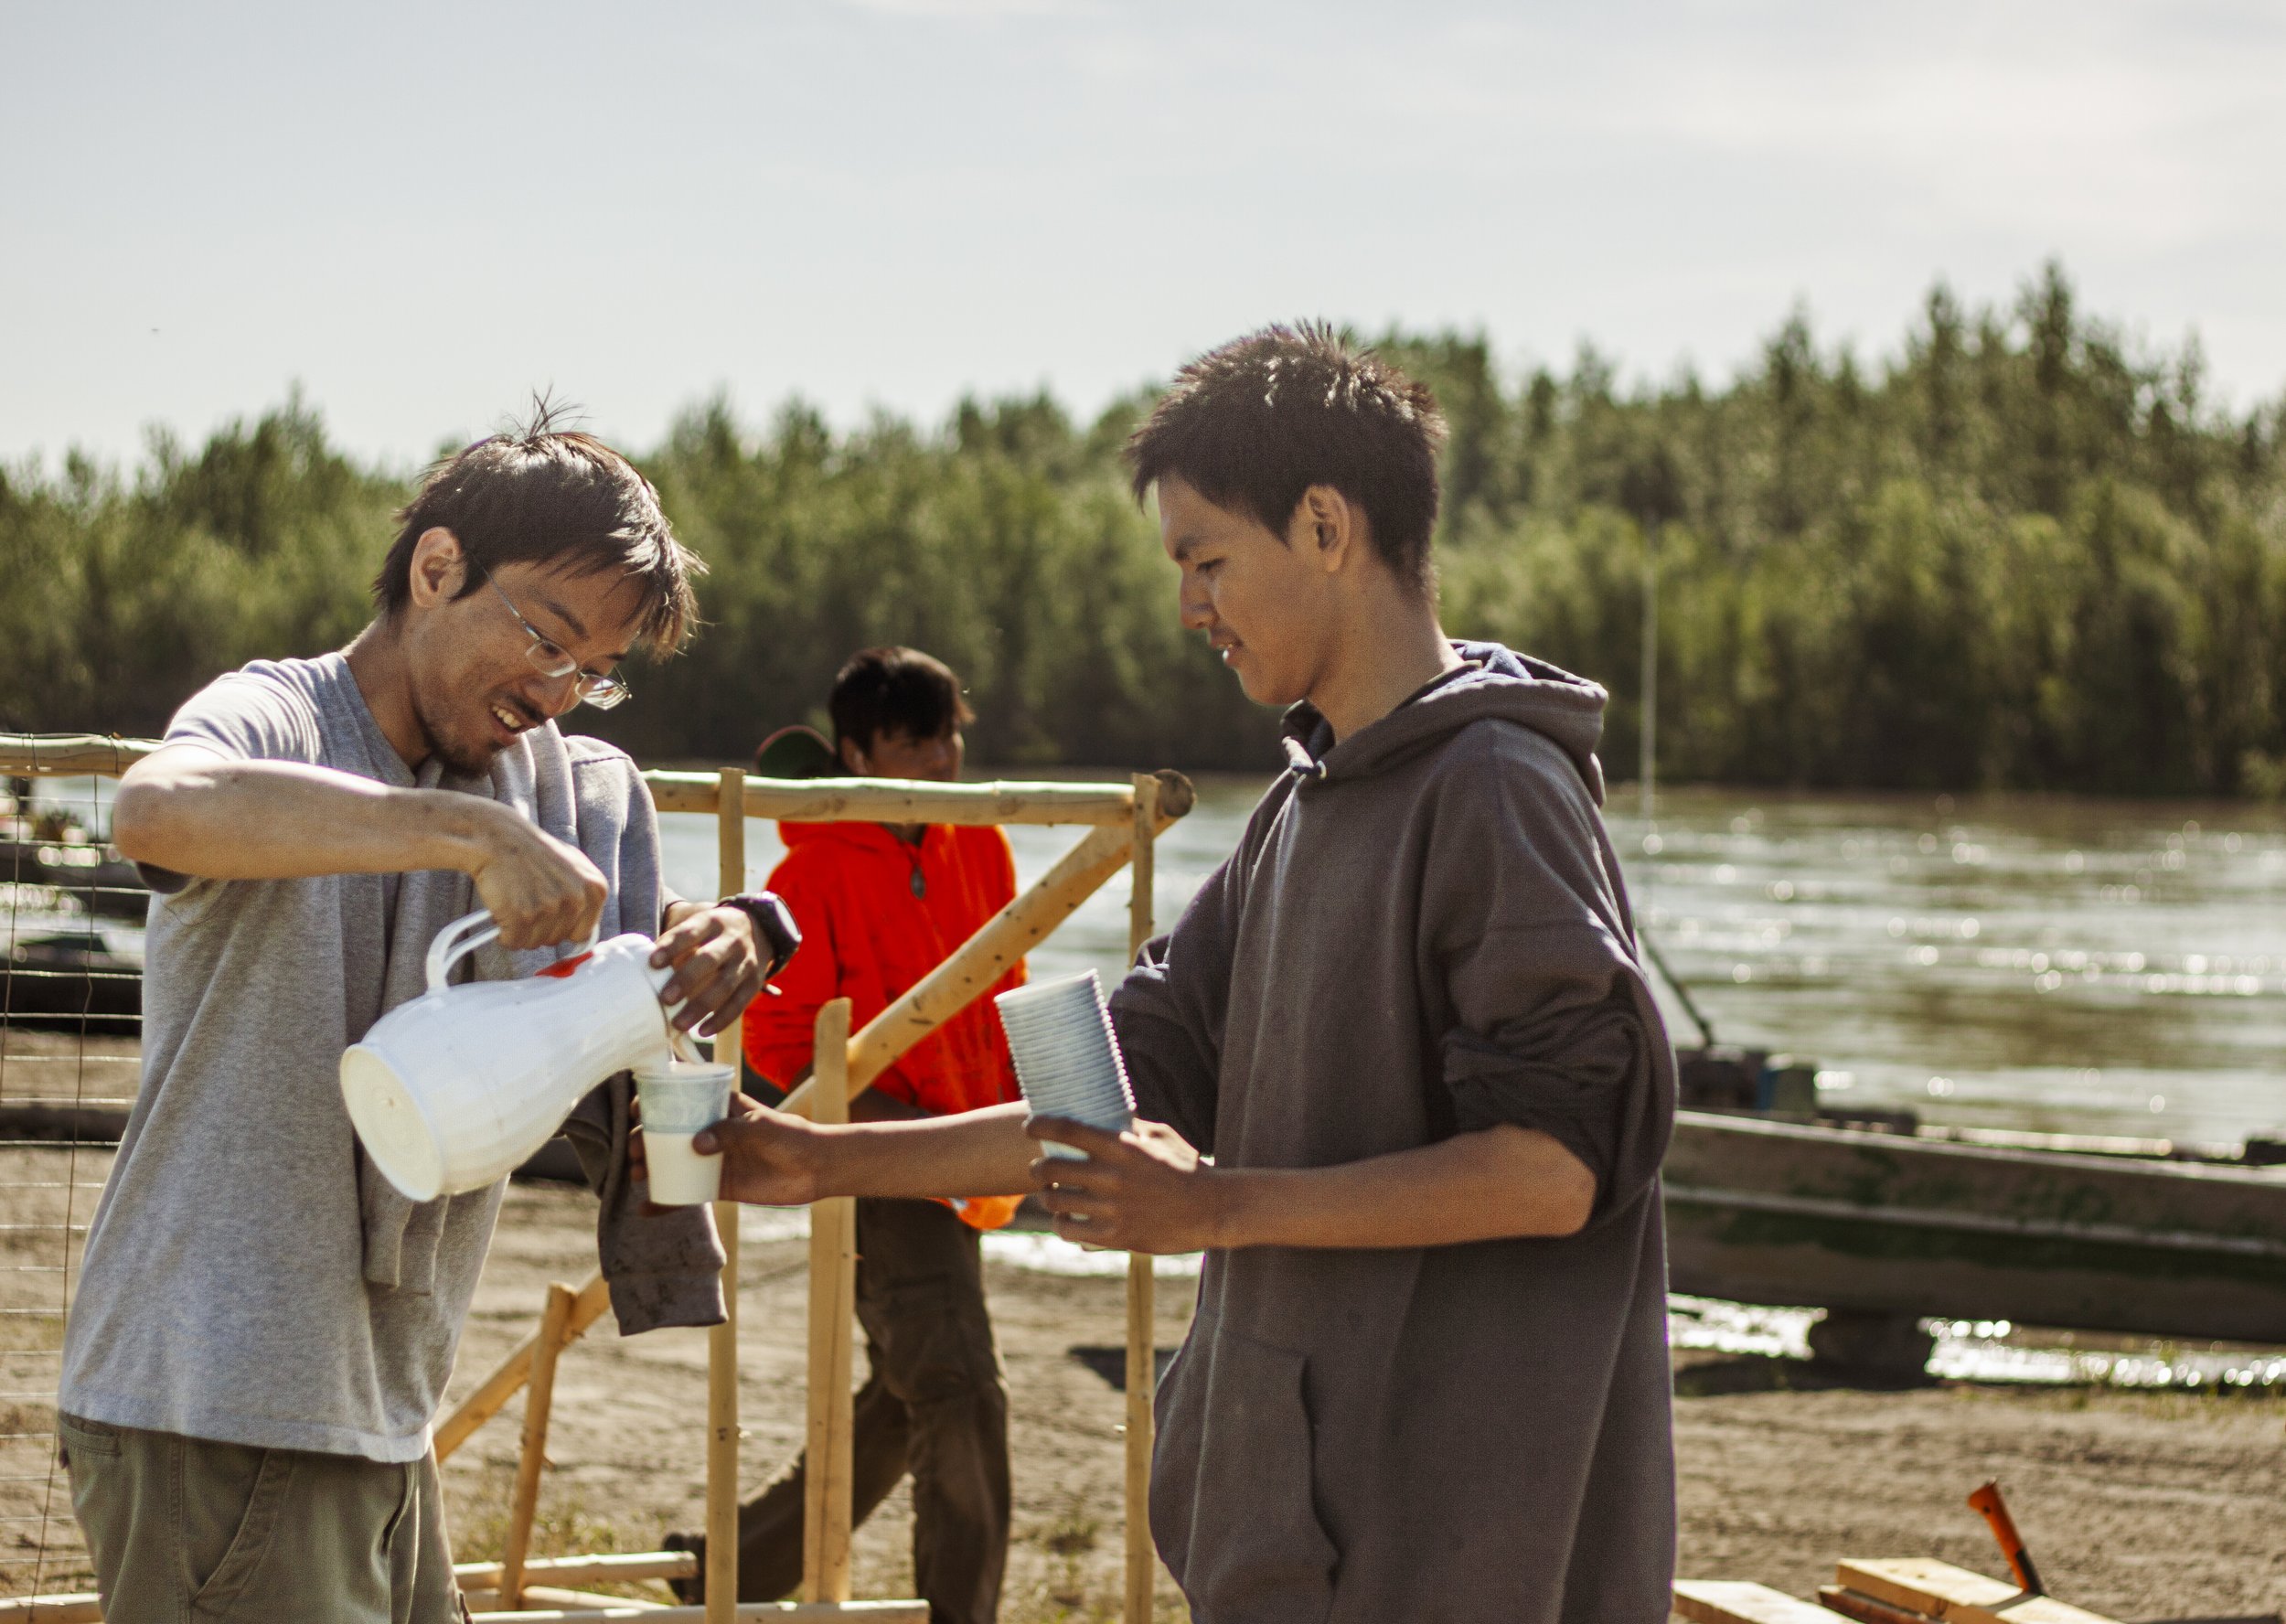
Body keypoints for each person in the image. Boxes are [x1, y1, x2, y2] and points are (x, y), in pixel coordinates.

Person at [687, 326, 1680, 1623]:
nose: (1187, 606)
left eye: (1206, 560)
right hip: (1301, 1531)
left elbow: (1554, 1172)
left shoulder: (1497, 791)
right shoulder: (1299, 809)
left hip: (1462, 1543)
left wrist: (1217, 1207)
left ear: (1326, 525)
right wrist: (818, 1161)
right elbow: (1103, 1096)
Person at [59, 412, 786, 1623]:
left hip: (386, 1417)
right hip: (213, 1407)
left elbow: (651, 1056)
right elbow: (153, 810)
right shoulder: (278, 717)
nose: (555, 697)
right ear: (437, 568)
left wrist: (742, 935)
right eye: (546, 640)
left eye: (592, 673)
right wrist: (470, 835)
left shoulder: (573, 782)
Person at [667, 647, 1025, 1623]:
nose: (944, 759)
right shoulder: (808, 872)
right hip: (871, 1161)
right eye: (917, 743)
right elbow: (781, 1049)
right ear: (858, 750)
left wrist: (1029, 1125)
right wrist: (880, 1135)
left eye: (951, 736)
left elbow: (1007, 992)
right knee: (958, 1391)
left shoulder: (982, 845)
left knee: (904, 1392)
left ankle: (727, 1569)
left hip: (971, 1152)